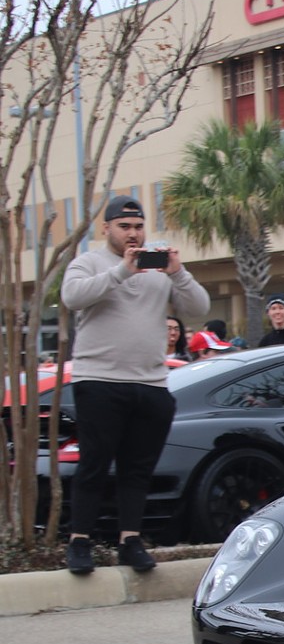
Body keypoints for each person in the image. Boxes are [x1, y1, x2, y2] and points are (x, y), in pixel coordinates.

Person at [58, 194, 210, 574]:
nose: (132, 234)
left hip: (150, 384)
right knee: (94, 463)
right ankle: (79, 542)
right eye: (124, 227)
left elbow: (198, 308)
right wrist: (122, 271)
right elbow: (72, 296)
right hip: (100, 381)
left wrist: (177, 272)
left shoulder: (159, 270)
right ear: (106, 228)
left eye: (138, 227)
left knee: (137, 469)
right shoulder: (89, 263)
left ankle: (130, 540)